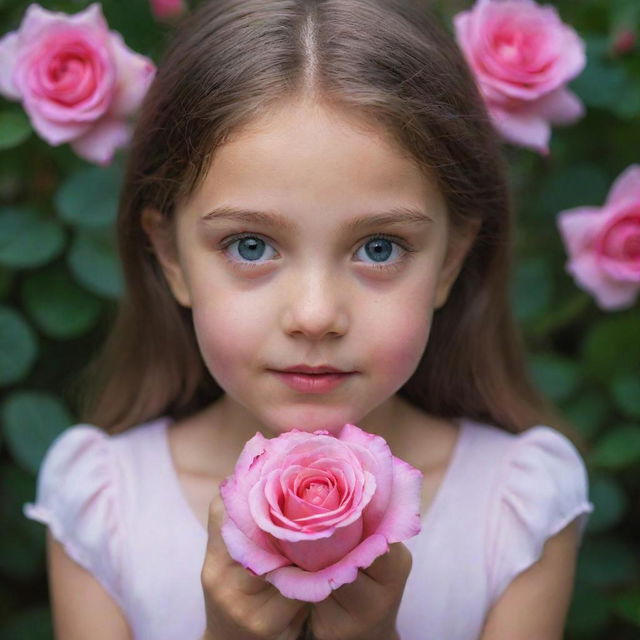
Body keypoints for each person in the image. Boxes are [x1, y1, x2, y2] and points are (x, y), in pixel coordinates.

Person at [23, 0, 595, 638]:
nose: (316, 316)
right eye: (250, 246)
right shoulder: (104, 503)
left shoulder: (515, 504)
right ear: (170, 257)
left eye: (380, 247)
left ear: (449, 262)